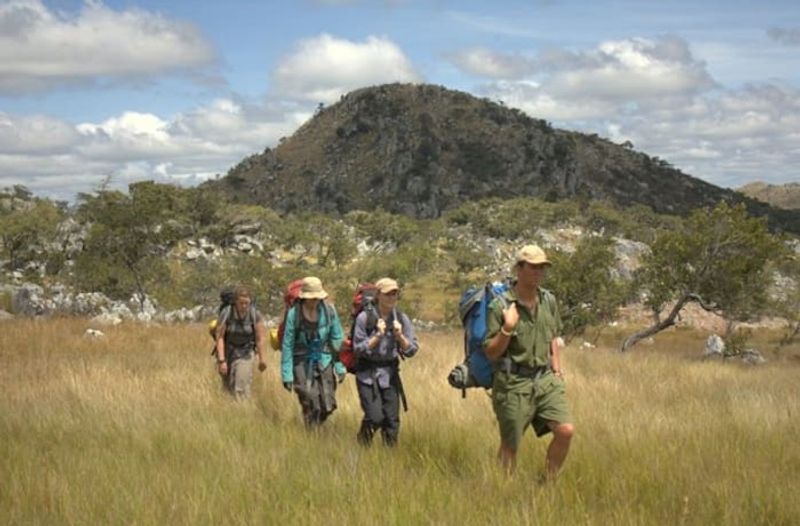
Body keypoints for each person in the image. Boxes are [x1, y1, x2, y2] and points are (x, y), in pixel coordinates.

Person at [483, 244, 574, 480]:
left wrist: (557, 369)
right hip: (513, 383)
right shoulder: (500, 306)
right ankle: (502, 488)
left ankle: (548, 483)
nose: (538, 272)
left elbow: (552, 334)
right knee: (510, 445)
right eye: (533, 267)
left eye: (542, 267)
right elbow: (491, 353)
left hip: (544, 379)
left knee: (565, 431)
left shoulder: (548, 301)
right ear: (519, 269)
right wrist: (507, 329)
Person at [352, 277, 419, 446]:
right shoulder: (364, 318)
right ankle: (362, 445)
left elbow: (411, 349)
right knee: (374, 417)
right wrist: (378, 335)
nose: (392, 297)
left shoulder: (402, 319)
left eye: (395, 294)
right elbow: (358, 348)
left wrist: (399, 336)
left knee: (391, 420)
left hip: (390, 375)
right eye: (388, 294)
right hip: (367, 375)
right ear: (378, 295)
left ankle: (389, 457)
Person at [280, 276, 346, 428]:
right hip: (301, 360)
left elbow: (336, 339)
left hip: (324, 358)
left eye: (317, 297)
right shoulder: (294, 314)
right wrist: (287, 374)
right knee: (309, 399)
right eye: (312, 298)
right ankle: (311, 431)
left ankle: (315, 425)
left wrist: (339, 366)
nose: (315, 301)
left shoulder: (329, 311)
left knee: (328, 403)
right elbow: (288, 345)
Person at [214, 286, 267, 399]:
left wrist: (262, 359)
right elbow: (220, 338)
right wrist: (222, 360)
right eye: (241, 303)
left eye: (246, 303)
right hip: (228, 351)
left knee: (241, 384)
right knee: (228, 386)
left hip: (246, 352)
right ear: (235, 302)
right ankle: (232, 412)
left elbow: (260, 338)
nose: (244, 306)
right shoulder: (226, 313)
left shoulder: (254, 314)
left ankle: (244, 409)